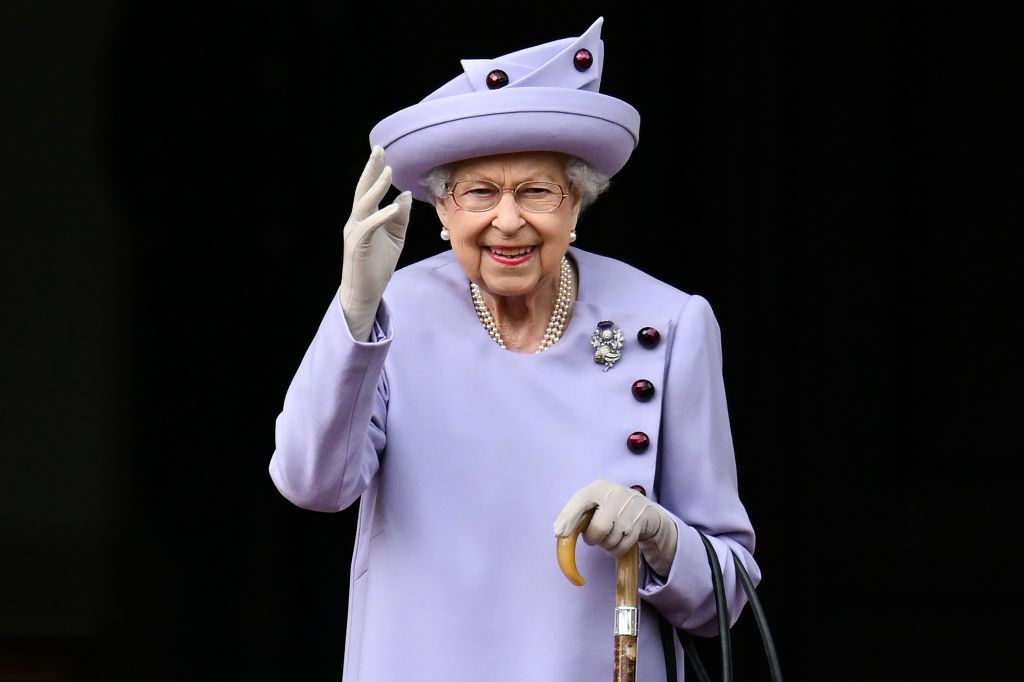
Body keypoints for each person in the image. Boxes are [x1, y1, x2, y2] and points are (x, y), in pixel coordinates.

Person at [269, 16, 760, 681]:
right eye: (478, 193)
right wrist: (354, 306)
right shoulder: (394, 315)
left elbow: (727, 596)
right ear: (441, 212)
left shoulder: (669, 323)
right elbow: (310, 482)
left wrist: (661, 535)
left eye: (536, 191)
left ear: (578, 203)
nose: (508, 220)